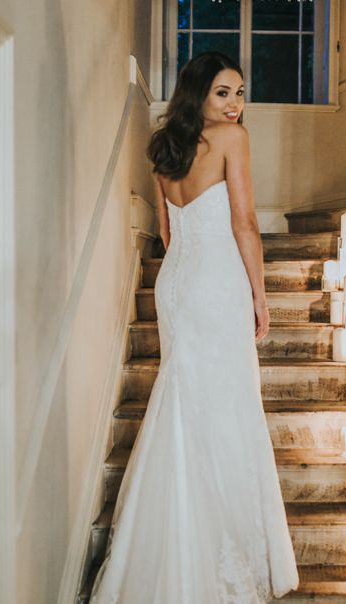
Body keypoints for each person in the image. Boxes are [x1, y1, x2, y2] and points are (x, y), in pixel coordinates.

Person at [90, 51, 299, 603]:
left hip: (177, 285)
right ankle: (215, 547)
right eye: (223, 93)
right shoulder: (234, 139)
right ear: (199, 95)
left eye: (239, 92)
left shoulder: (164, 148)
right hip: (216, 282)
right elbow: (246, 222)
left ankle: (169, 548)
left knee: (182, 403)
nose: (236, 104)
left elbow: (165, 232)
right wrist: (259, 292)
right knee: (226, 406)